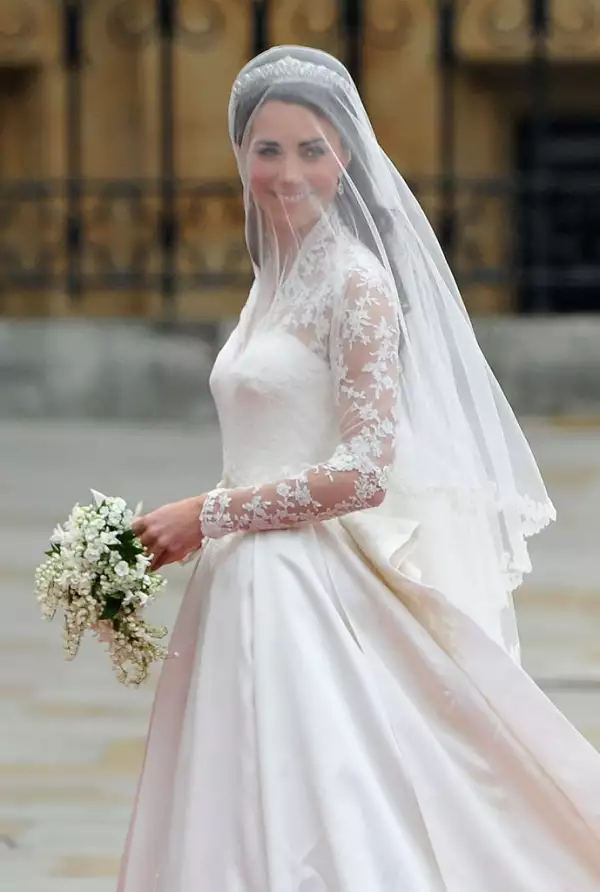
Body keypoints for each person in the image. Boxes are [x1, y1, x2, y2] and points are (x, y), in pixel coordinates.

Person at [120, 46, 600, 890]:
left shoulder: (356, 281)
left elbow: (364, 472)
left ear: (346, 157)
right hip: (240, 581)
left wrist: (208, 514)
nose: (288, 171)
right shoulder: (272, 277)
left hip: (311, 578)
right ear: (241, 156)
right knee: (233, 794)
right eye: (268, 149)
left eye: (312, 148)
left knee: (333, 795)